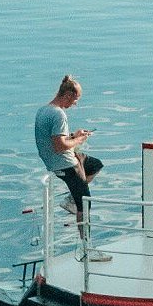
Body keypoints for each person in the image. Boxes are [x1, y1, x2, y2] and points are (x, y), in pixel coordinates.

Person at [35, 75, 102, 217]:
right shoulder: (59, 114)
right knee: (85, 204)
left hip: (55, 160)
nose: (75, 104)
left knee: (95, 165)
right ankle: (85, 238)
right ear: (68, 95)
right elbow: (59, 146)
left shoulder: (43, 110)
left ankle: (72, 198)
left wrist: (74, 136)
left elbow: (54, 139)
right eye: (75, 99)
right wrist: (80, 140)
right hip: (66, 164)